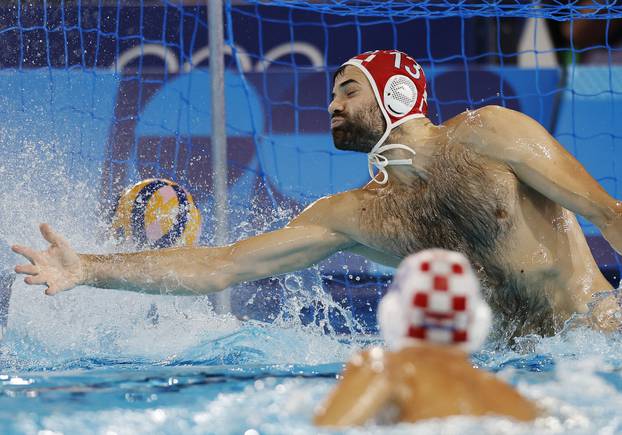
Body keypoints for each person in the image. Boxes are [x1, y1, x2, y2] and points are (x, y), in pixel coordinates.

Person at [12, 50, 622, 338]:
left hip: (599, 335)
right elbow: (224, 266)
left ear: (400, 97)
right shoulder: (357, 213)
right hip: (518, 364)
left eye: (348, 91)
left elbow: (607, 212)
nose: (332, 105)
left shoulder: (492, 132)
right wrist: (88, 267)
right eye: (332, 95)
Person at [314, 249, 538, 426]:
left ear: (392, 313)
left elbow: (329, 429)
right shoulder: (514, 402)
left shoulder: (383, 367)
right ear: (478, 321)